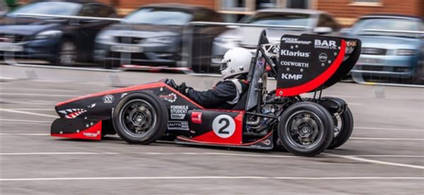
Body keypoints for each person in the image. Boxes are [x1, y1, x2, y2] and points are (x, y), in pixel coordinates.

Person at [166, 47, 252, 109]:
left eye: (225, 65)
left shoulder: (232, 86)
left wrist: (186, 91)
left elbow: (206, 99)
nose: (223, 68)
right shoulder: (240, 84)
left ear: (238, 65)